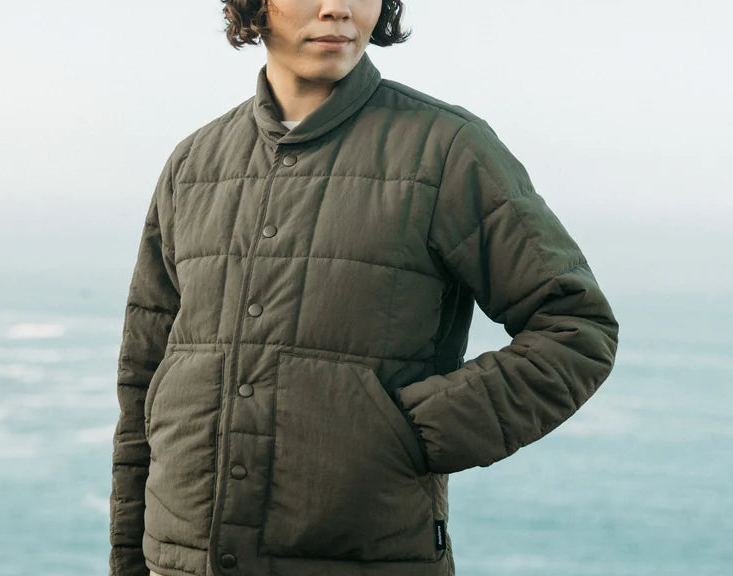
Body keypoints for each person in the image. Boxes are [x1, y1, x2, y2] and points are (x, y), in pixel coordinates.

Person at [109, 1, 619, 575]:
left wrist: (413, 435)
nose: (338, 8)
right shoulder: (193, 165)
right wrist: (127, 561)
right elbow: (143, 379)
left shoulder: (446, 150)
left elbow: (577, 330)